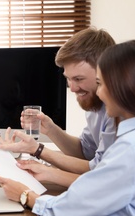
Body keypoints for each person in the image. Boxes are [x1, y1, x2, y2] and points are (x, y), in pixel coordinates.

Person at [0, 40, 135, 216]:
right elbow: (86, 154)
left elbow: (69, 208)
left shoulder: (133, 147)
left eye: (100, 83)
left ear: (123, 87)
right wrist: (46, 142)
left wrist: (25, 195)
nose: (100, 93)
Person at [14, 27, 117, 187]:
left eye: (78, 79)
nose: (73, 88)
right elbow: (85, 152)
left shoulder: (119, 110)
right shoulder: (94, 105)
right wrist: (51, 129)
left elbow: (100, 170)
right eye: (68, 79)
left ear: (104, 71)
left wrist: (39, 151)